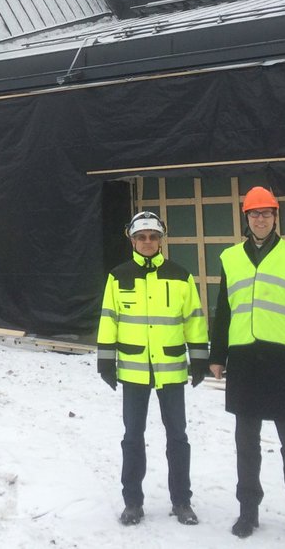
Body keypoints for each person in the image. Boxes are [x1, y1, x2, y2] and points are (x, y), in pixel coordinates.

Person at [208, 187, 285, 542]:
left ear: (276, 217)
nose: (259, 219)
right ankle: (248, 511)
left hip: (283, 361)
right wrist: (218, 356)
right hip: (244, 360)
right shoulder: (230, 258)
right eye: (253, 214)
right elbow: (224, 310)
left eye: (266, 213)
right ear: (245, 219)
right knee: (246, 443)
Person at [97, 210, 210, 527]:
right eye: (141, 237)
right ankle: (132, 502)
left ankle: (182, 501)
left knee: (178, 437)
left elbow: (194, 320)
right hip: (133, 371)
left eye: (153, 236)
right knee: (132, 437)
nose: (147, 242)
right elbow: (109, 319)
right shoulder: (118, 277)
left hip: (171, 369)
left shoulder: (180, 276)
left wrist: (199, 358)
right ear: (132, 240)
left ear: (161, 239)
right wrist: (105, 360)